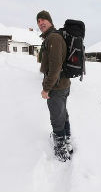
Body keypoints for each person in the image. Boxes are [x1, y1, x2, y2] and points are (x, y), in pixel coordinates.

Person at [37, 10, 73, 162]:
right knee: (62, 113)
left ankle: (61, 149)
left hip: (57, 87)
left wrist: (46, 88)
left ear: (50, 21)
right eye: (38, 21)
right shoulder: (52, 37)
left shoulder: (54, 38)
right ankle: (67, 139)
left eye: (43, 19)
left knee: (56, 117)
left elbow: (55, 67)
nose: (40, 23)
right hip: (62, 84)